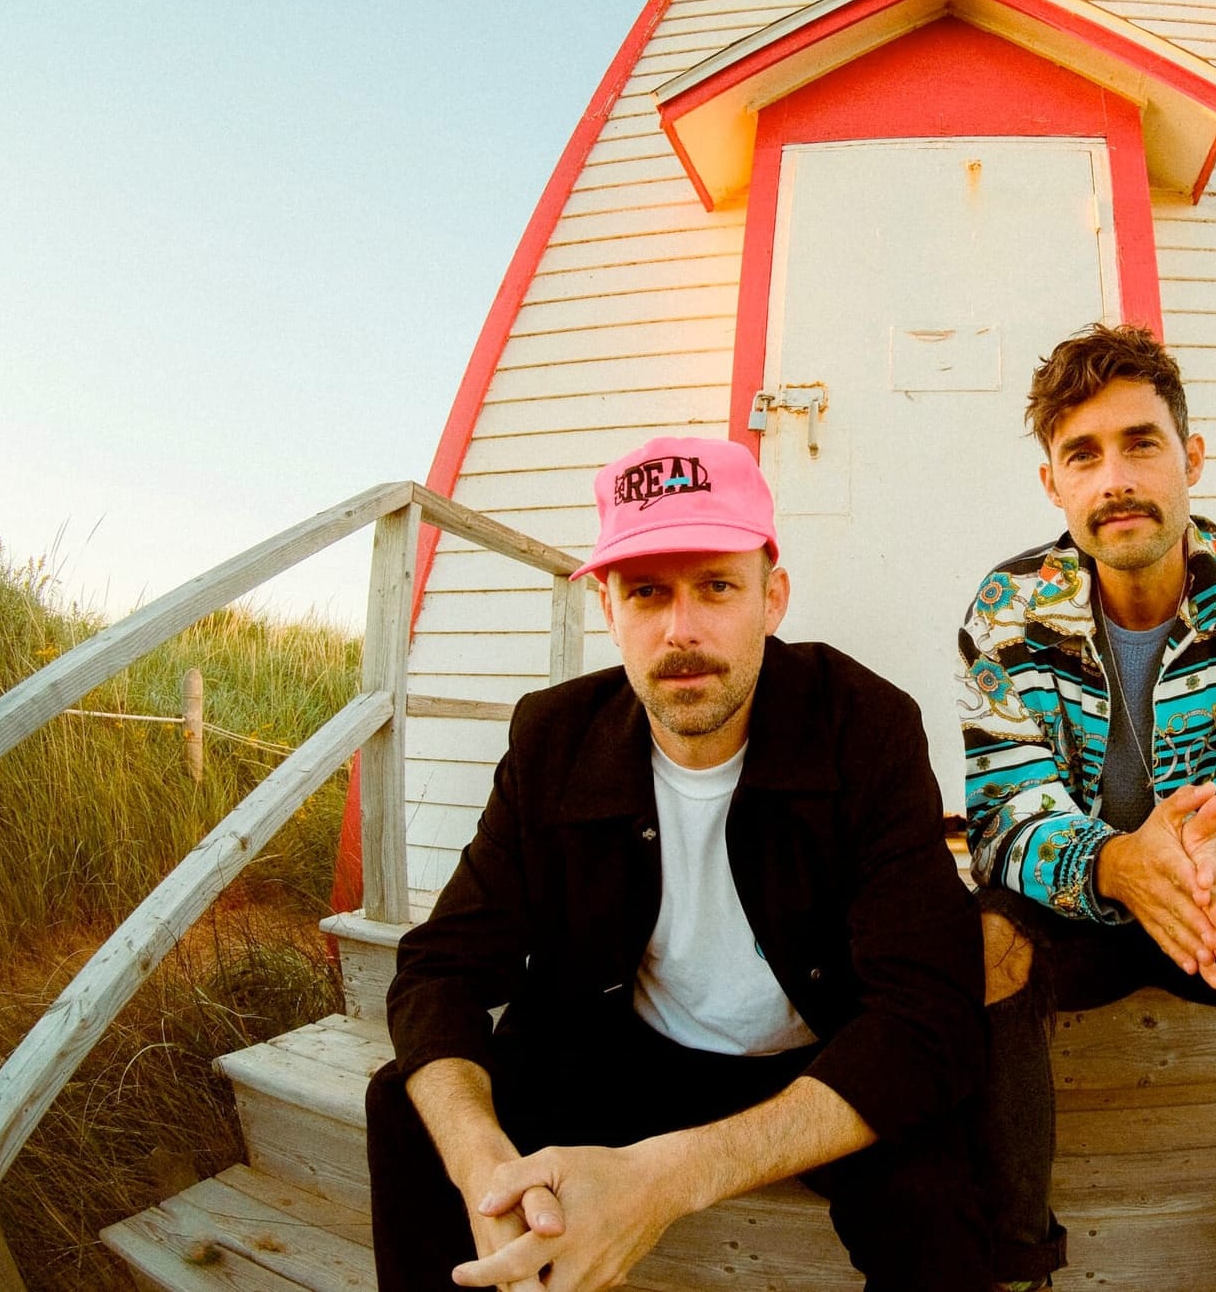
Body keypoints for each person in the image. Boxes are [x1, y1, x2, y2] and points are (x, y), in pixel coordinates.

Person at [368, 435, 988, 1291]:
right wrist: (483, 1168)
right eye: (647, 592)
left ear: (772, 598)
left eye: (717, 587)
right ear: (608, 609)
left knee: (937, 1203)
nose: (682, 629)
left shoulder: (865, 725)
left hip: (818, 1063)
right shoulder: (553, 738)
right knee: (410, 1108)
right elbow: (438, 969)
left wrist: (668, 1179)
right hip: (626, 1048)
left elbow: (927, 1017)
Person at [956, 325, 1216, 1291]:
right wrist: (1118, 867)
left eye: (1141, 443)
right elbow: (1003, 815)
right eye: (1083, 454)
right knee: (986, 943)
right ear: (1053, 484)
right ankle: (1017, 1260)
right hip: (1082, 909)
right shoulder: (1007, 608)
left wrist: (1214, 868)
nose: (1116, 479)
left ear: (1190, 456)